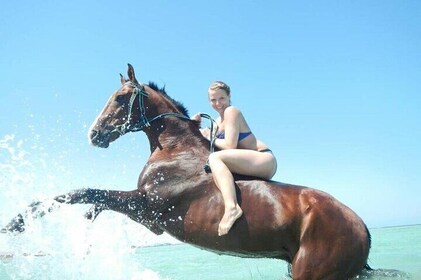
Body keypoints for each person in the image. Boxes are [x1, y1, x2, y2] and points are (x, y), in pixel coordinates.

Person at [193, 81, 277, 236]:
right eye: (213, 100)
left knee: (215, 159)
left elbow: (230, 145)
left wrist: (208, 136)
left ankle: (232, 208)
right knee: (211, 162)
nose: (218, 103)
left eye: (222, 98)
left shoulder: (232, 111)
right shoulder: (216, 122)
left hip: (263, 159)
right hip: (246, 163)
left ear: (229, 97)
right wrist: (194, 127)